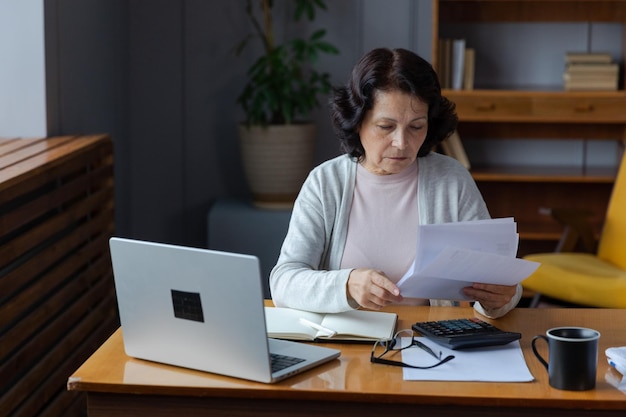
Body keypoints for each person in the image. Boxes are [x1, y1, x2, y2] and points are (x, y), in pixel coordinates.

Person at [269, 47, 522, 318]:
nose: (402, 143)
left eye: (416, 127)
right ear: (357, 123)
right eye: (386, 127)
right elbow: (284, 282)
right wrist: (346, 285)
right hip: (346, 342)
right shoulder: (325, 183)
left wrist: (501, 298)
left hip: (428, 342)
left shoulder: (451, 180)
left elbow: (498, 278)